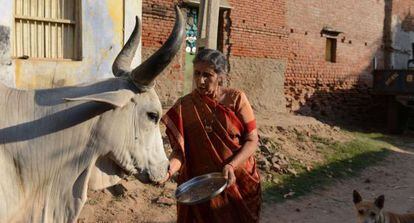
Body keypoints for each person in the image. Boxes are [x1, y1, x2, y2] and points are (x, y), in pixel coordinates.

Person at [161, 49, 261, 223]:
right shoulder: (185, 106)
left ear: (220, 76)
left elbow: (252, 140)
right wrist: (168, 172)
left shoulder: (236, 99)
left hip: (237, 180)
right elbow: (180, 152)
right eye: (197, 74)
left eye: (207, 75)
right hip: (200, 187)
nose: (200, 80)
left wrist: (231, 165)